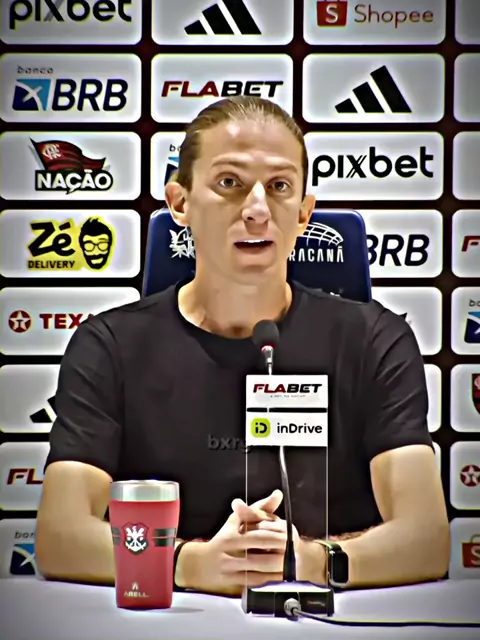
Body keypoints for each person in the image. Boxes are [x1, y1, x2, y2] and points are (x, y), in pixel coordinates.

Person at [35, 96, 450, 597]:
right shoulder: (108, 346)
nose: (256, 210)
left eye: (279, 187)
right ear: (180, 203)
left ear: (304, 213)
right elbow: (60, 537)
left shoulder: (376, 340)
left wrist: (307, 560)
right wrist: (189, 565)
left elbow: (426, 540)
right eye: (229, 183)